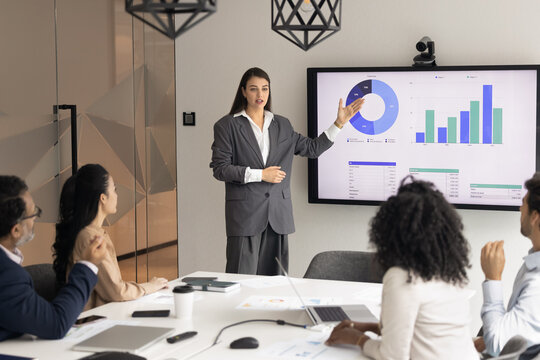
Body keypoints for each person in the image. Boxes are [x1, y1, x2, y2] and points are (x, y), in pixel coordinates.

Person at [210, 67, 364, 275]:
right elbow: (220, 169)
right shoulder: (227, 126)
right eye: (254, 89)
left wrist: (338, 123)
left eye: (265, 89)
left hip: (277, 217)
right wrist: (261, 175)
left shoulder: (282, 124)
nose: (260, 94)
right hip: (245, 217)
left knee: (275, 284)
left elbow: (312, 149)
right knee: (240, 279)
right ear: (244, 91)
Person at [326, 177, 478, 359]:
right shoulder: (449, 271)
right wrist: (372, 328)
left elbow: (392, 356)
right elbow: (427, 331)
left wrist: (358, 339)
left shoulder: (403, 277)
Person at [0, 175, 106, 341]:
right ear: (16, 230)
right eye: (33, 212)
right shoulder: (7, 277)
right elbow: (56, 324)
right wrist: (87, 265)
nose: (35, 217)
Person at [53, 164, 168, 310]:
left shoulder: (96, 233)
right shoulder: (89, 238)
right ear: (102, 198)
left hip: (106, 315)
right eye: (114, 189)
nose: (117, 195)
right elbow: (117, 291)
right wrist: (150, 286)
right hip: (93, 323)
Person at [477, 172, 540, 356]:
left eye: (524, 203)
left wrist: (492, 279)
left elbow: (499, 346)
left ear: (535, 216)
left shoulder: (537, 285)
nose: (520, 209)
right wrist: (487, 340)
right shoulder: (533, 263)